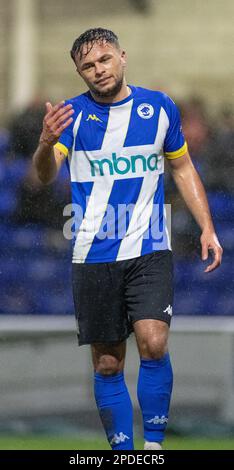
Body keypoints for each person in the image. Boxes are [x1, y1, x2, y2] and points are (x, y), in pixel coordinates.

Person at [33, 28, 223, 450]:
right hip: (92, 252)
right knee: (107, 362)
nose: (98, 70)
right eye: (88, 66)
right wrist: (46, 144)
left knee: (154, 343)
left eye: (104, 60)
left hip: (149, 245)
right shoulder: (72, 117)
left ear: (122, 56)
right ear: (79, 72)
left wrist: (207, 226)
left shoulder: (159, 108)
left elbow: (183, 169)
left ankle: (152, 447)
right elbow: (45, 176)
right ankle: (123, 453)